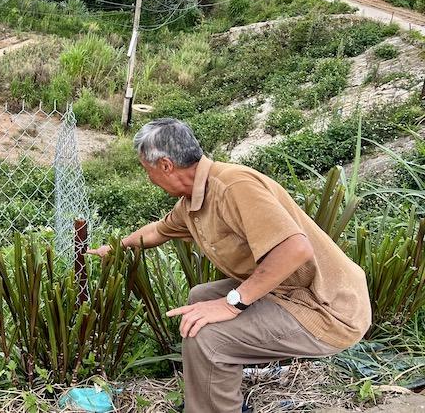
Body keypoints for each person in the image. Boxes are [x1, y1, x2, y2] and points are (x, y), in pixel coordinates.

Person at [88, 118, 371, 413]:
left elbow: (294, 249)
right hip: (288, 291)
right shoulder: (194, 200)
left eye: (147, 171)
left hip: (327, 307)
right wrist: (116, 248)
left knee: (208, 337)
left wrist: (232, 303)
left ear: (166, 166)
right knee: (201, 297)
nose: (149, 179)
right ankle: (214, 399)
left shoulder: (234, 186)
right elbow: (158, 231)